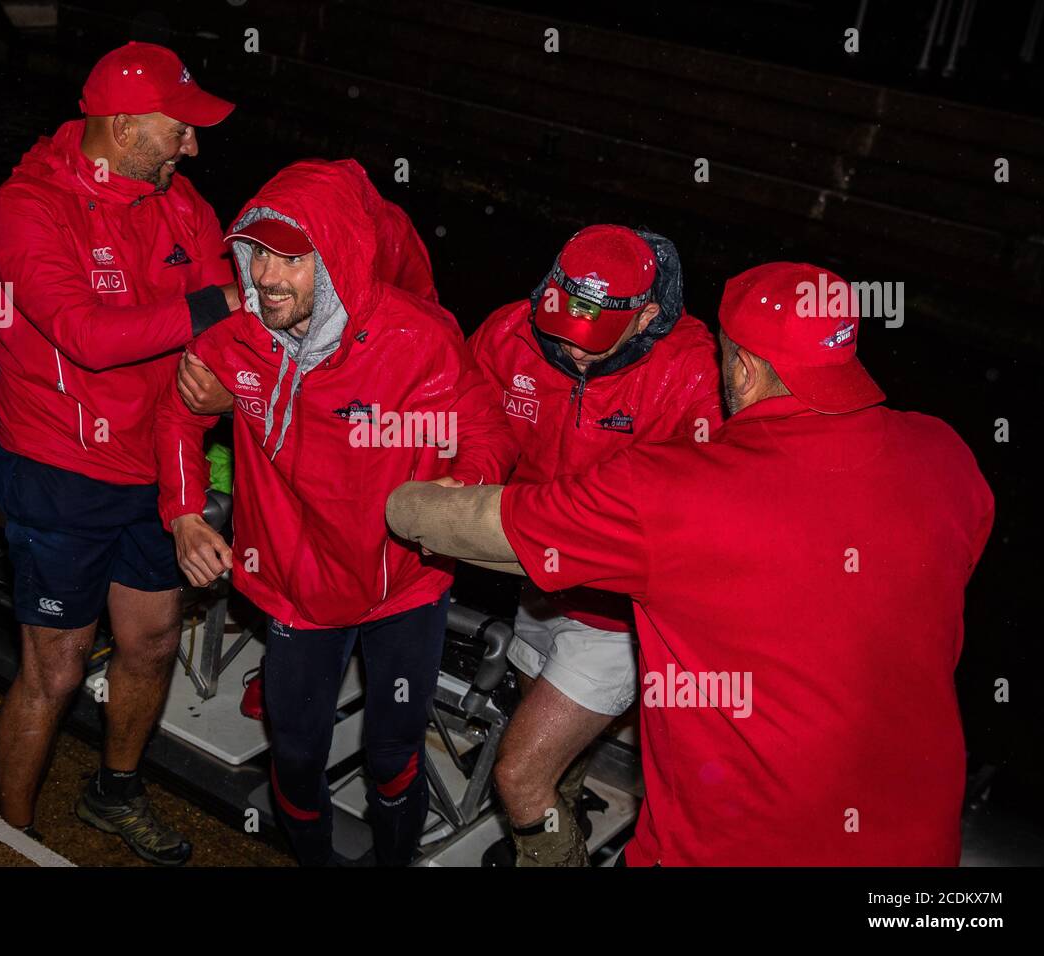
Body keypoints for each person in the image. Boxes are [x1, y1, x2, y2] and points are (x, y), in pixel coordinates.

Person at [387, 262, 994, 865]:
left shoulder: (674, 491)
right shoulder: (945, 455)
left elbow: (492, 527)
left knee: (523, 769)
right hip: (918, 845)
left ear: (744, 367)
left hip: (733, 846)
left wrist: (397, 502)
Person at [160, 159, 518, 865]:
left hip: (405, 588)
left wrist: (465, 481)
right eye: (257, 252)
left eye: (292, 259)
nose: (266, 276)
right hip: (296, 590)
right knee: (293, 760)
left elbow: (488, 431)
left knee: (393, 758)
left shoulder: (417, 337)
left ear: (337, 261)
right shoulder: (237, 339)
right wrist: (185, 513)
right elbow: (176, 415)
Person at [0, 41, 237, 865]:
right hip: (60, 469)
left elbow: (223, 334)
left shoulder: (184, 203)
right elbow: (89, 338)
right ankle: (6, 840)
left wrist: (226, 385)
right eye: (180, 130)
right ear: (123, 126)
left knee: (153, 642)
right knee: (53, 672)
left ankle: (113, 793)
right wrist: (213, 303)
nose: (192, 146)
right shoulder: (26, 208)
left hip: (158, 464)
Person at [468, 224, 722, 865]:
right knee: (547, 749)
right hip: (536, 579)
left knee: (518, 771)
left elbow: (698, 512)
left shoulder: (692, 372)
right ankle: (558, 820)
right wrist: (469, 472)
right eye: (561, 332)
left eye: (596, 341)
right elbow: (471, 419)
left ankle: (552, 853)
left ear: (648, 317)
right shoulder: (509, 332)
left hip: (621, 615)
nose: (574, 354)